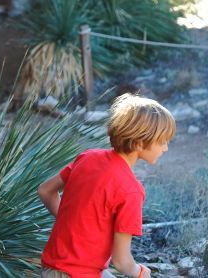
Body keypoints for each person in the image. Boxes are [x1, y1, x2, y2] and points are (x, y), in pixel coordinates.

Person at [38, 94, 176, 278]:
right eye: (162, 142)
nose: (165, 148)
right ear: (138, 143)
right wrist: (142, 273)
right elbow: (121, 262)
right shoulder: (130, 190)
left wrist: (75, 225)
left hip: (51, 269)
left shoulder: (88, 157)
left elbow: (45, 191)